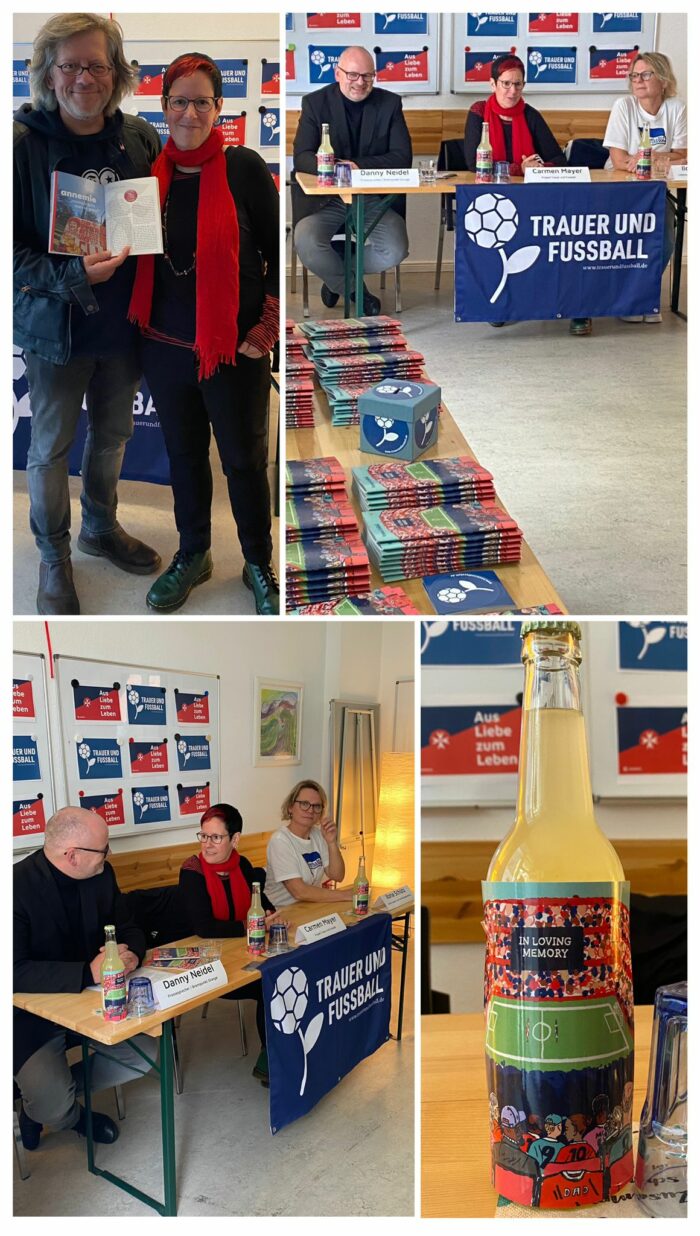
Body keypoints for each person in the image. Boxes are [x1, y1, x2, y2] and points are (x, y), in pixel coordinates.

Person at [14, 13, 162, 615]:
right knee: (50, 448)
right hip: (58, 328)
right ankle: (54, 557)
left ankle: (98, 528)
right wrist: (73, 274)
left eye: (98, 64)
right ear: (49, 72)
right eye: (70, 64)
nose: (85, 77)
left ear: (118, 73)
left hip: (123, 323)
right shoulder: (22, 146)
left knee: (114, 436)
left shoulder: (139, 136)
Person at [129, 53, 280, 616]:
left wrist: (265, 328)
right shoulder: (147, 176)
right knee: (183, 455)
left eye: (202, 101)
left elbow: (274, 253)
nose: (189, 112)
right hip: (165, 349)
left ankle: (258, 561)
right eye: (178, 101)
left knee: (243, 460)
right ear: (163, 106)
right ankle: (194, 553)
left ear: (220, 107)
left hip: (233, 349)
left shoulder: (243, 168)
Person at [13, 807, 156, 1150]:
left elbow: (129, 929)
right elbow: (13, 970)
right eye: (104, 848)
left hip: (94, 1001)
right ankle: (70, 1116)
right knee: (53, 1103)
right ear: (72, 855)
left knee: (145, 1055)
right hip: (31, 1016)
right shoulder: (14, 887)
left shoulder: (102, 875)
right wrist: (84, 972)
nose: (109, 855)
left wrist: (133, 953)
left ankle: (42, 1108)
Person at [463, 55, 591, 336]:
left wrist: (540, 167)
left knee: (570, 232)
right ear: (492, 83)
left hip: (532, 200)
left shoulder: (530, 114)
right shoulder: (478, 112)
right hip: (491, 202)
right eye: (506, 84)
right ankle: (500, 302)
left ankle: (573, 305)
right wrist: (519, 168)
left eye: (518, 85)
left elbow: (559, 159)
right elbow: (475, 163)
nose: (512, 91)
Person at [292, 45, 411, 316]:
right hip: (326, 198)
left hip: (371, 197)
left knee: (396, 249)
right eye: (353, 75)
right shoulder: (314, 103)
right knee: (307, 241)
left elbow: (402, 157)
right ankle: (355, 291)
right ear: (338, 73)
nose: (360, 82)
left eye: (368, 76)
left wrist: (356, 166)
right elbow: (302, 156)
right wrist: (334, 168)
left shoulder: (390, 104)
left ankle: (335, 277)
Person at [178, 803, 284, 1085]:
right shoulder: (192, 872)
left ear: (235, 839)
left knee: (283, 971)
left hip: (240, 952)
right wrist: (255, 926)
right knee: (269, 982)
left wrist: (273, 917)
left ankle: (277, 1053)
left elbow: (261, 905)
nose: (207, 845)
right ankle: (272, 1059)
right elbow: (204, 928)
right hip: (209, 967)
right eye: (203, 836)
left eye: (216, 837)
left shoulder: (243, 865)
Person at [604, 51, 686, 324]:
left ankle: (642, 296)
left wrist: (647, 159)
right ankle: (626, 299)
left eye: (646, 74)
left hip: (655, 188)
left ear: (663, 80)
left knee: (666, 240)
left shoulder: (677, 108)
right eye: (634, 75)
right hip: (619, 188)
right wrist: (664, 158)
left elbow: (684, 154)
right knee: (626, 241)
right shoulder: (623, 106)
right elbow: (618, 160)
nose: (638, 81)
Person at [265, 780, 348, 906]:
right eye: (304, 804)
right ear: (290, 807)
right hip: (282, 914)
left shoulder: (318, 834)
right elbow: (299, 892)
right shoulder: (280, 840)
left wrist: (331, 842)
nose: (311, 810)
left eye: (317, 806)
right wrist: (345, 895)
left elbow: (337, 876)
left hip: (311, 908)